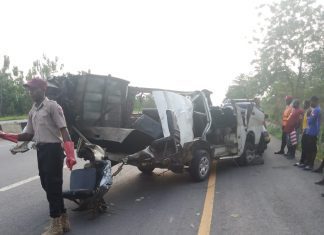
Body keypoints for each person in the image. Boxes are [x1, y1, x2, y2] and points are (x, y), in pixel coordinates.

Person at [0, 77, 76, 235]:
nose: (31, 92)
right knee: (47, 185)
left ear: (43, 89)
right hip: (41, 150)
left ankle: (56, 225)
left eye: (34, 89)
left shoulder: (52, 106)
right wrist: (5, 135)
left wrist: (70, 154)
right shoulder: (33, 111)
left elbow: (64, 130)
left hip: (53, 151)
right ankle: (64, 220)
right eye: (29, 90)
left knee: (53, 185)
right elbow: (27, 135)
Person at [303, 96, 321, 171]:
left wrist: (308, 116)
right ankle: (307, 163)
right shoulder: (315, 110)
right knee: (309, 148)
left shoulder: (316, 110)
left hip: (313, 132)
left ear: (315, 102)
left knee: (312, 149)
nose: (310, 103)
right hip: (310, 131)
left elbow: (310, 121)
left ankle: (310, 165)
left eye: (312, 101)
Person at [294, 100, 311, 167]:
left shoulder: (309, 111)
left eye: (304, 104)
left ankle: (304, 162)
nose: (303, 105)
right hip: (304, 131)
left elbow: (309, 122)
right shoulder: (305, 111)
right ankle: (302, 161)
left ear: (307, 104)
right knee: (303, 147)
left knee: (305, 147)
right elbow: (302, 121)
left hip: (307, 132)